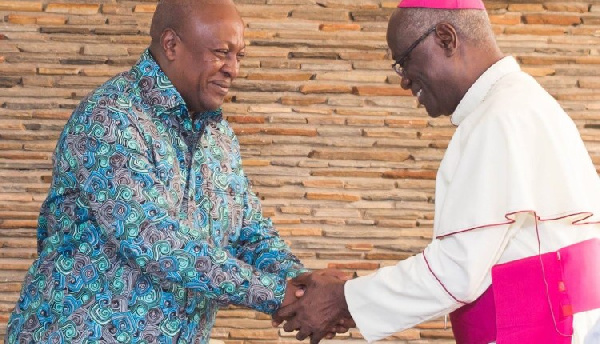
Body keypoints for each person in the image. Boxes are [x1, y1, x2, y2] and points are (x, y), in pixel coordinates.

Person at [273, 0, 600, 343]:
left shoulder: (500, 117)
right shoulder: (521, 103)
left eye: (404, 61)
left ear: (446, 38)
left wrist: (343, 298)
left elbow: (456, 272)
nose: (404, 80)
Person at [5, 0, 310, 342]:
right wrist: (278, 294)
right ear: (171, 45)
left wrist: (302, 284)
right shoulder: (110, 118)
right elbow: (156, 241)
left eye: (239, 56)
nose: (233, 69)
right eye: (221, 52)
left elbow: (250, 234)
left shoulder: (219, 138)